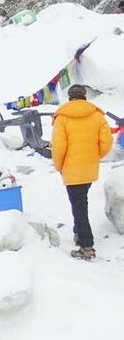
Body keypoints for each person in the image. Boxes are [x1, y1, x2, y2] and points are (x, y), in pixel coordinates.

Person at [52, 85, 112, 260]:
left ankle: (87, 246)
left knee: (79, 207)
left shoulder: (62, 117)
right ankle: (79, 233)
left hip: (71, 169)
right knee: (80, 202)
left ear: (69, 97)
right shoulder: (97, 116)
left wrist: (59, 166)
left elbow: (59, 147)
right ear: (84, 96)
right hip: (90, 167)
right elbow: (107, 143)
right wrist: (94, 156)